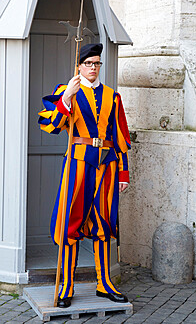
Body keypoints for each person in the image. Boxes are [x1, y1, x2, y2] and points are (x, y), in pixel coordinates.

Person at [38, 43, 131, 308]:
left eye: (96, 63)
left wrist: (124, 171)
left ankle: (105, 283)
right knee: (71, 223)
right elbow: (50, 125)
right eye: (88, 63)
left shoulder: (113, 96)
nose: (92, 68)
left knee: (103, 223)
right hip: (78, 164)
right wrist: (66, 98)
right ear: (79, 66)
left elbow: (121, 137)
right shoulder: (67, 92)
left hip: (107, 165)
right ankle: (66, 286)